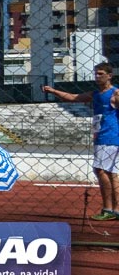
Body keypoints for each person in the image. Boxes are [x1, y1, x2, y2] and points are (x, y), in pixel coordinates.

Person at [44, 63, 119, 221]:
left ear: (109, 76)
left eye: (100, 74)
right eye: (96, 74)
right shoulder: (96, 94)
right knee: (110, 172)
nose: (97, 76)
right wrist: (53, 91)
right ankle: (115, 209)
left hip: (109, 137)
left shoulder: (115, 93)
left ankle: (109, 209)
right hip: (103, 137)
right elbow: (73, 98)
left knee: (100, 170)